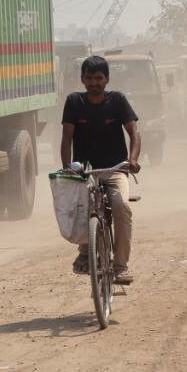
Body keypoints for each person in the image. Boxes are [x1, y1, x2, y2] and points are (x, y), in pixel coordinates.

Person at [60, 55, 141, 286]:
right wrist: (68, 168)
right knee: (81, 207)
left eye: (98, 78)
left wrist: (132, 160)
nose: (94, 83)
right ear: (82, 80)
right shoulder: (74, 102)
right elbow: (66, 138)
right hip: (85, 172)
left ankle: (120, 266)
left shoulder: (118, 101)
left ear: (106, 79)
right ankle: (85, 250)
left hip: (116, 169)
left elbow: (134, 133)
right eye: (89, 78)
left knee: (121, 207)